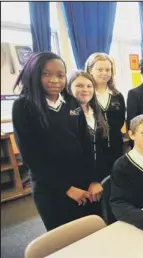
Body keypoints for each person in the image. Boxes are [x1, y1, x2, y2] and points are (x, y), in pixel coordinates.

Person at [12, 52, 102, 231]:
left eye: (60, 75)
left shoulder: (72, 103)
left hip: (82, 182)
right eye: (46, 74)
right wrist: (67, 188)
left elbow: (85, 144)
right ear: (34, 74)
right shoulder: (24, 106)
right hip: (51, 188)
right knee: (65, 240)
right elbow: (32, 158)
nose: (54, 80)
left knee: (91, 232)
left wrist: (93, 179)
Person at [85, 53, 126, 179]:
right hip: (93, 149)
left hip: (115, 145)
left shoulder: (117, 95)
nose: (104, 73)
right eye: (99, 69)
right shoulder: (85, 94)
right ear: (90, 70)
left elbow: (120, 121)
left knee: (116, 178)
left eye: (108, 69)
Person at [67, 71, 110, 181]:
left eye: (89, 86)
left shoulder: (95, 110)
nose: (85, 89)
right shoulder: (66, 113)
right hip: (78, 174)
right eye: (79, 86)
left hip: (99, 170)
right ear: (69, 88)